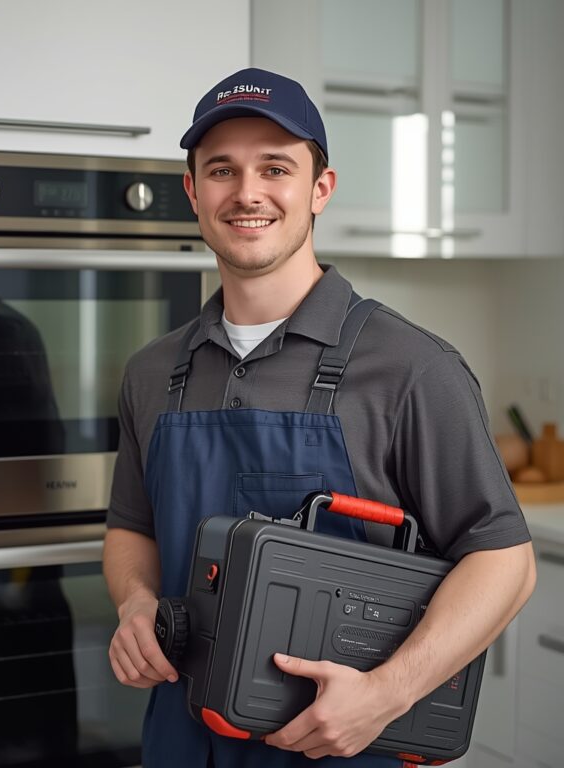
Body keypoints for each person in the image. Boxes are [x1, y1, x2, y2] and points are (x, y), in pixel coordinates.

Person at [103, 67, 536, 767]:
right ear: (192, 191)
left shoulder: (412, 368)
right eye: (222, 170)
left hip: (338, 745)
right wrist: (134, 604)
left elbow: (505, 561)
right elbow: (131, 528)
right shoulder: (154, 372)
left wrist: (388, 692)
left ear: (320, 189)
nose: (247, 193)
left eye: (275, 167)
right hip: (180, 739)